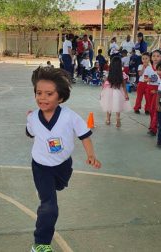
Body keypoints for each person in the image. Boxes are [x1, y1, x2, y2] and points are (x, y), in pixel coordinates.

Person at [26, 66, 101, 252]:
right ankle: (41, 244)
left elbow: (84, 136)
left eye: (49, 94)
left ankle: (50, 189)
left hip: (63, 165)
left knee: (60, 185)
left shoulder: (70, 117)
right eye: (39, 93)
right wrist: (29, 119)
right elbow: (30, 132)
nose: (42, 98)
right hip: (41, 166)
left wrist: (91, 155)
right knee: (49, 206)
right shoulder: (34, 117)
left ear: (60, 97)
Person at [100, 56, 131, 127]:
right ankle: (117, 118)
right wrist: (126, 95)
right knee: (118, 106)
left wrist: (102, 93)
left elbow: (104, 85)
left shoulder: (108, 74)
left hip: (108, 91)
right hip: (118, 92)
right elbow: (124, 86)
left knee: (108, 105)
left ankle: (108, 119)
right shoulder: (122, 75)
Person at [143, 50, 161, 135]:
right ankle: (153, 124)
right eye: (154, 56)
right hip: (149, 89)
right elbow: (145, 79)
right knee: (151, 109)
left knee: (155, 109)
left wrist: (157, 90)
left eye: (158, 56)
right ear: (151, 58)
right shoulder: (148, 68)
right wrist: (151, 79)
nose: (155, 58)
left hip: (158, 90)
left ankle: (153, 128)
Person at [148, 61, 161, 136]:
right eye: (158, 70)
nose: (158, 72)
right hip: (156, 96)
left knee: (157, 113)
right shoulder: (159, 77)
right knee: (152, 111)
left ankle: (154, 129)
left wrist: (156, 91)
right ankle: (153, 127)